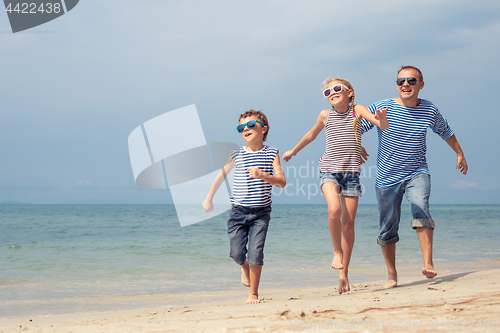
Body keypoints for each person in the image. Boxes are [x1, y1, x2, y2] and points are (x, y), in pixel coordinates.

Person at [361, 65, 468, 288]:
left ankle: (428, 262)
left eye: (411, 80)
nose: (405, 84)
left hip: (417, 172)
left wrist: (459, 153)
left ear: (421, 84)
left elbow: (445, 131)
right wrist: (356, 144)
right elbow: (355, 123)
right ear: (397, 85)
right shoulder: (383, 106)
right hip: (386, 178)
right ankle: (392, 275)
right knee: (388, 226)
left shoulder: (429, 110)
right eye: (401, 81)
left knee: (420, 206)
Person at [282, 78, 388, 294]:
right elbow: (311, 135)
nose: (332, 92)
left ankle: (344, 273)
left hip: (351, 174)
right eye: (328, 91)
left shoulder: (357, 110)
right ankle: (337, 251)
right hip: (328, 170)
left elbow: (381, 126)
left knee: (348, 224)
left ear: (350, 93)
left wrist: (382, 119)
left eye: (337, 88)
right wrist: (294, 151)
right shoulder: (325, 115)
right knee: (334, 210)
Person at [202, 109, 286, 304]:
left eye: (250, 125)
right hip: (238, 211)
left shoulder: (272, 152)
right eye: (241, 127)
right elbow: (221, 175)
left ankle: (253, 294)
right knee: (237, 253)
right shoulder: (236, 154)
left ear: (264, 129)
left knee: (256, 252)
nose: (245, 129)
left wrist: (264, 175)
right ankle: (243, 266)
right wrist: (209, 198)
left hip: (261, 213)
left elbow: (281, 181)